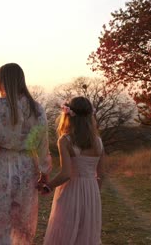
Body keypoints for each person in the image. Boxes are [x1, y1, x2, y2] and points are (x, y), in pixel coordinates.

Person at [0, 63, 52, 244]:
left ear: (3, 82)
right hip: (26, 166)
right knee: (18, 219)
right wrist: (44, 173)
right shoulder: (37, 109)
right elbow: (42, 144)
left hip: (1, 164)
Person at [41, 97, 104, 245]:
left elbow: (66, 174)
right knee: (85, 232)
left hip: (71, 190)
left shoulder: (65, 140)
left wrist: (48, 186)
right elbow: (102, 173)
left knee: (65, 230)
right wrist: (94, 191)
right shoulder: (98, 141)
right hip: (92, 190)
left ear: (68, 115)